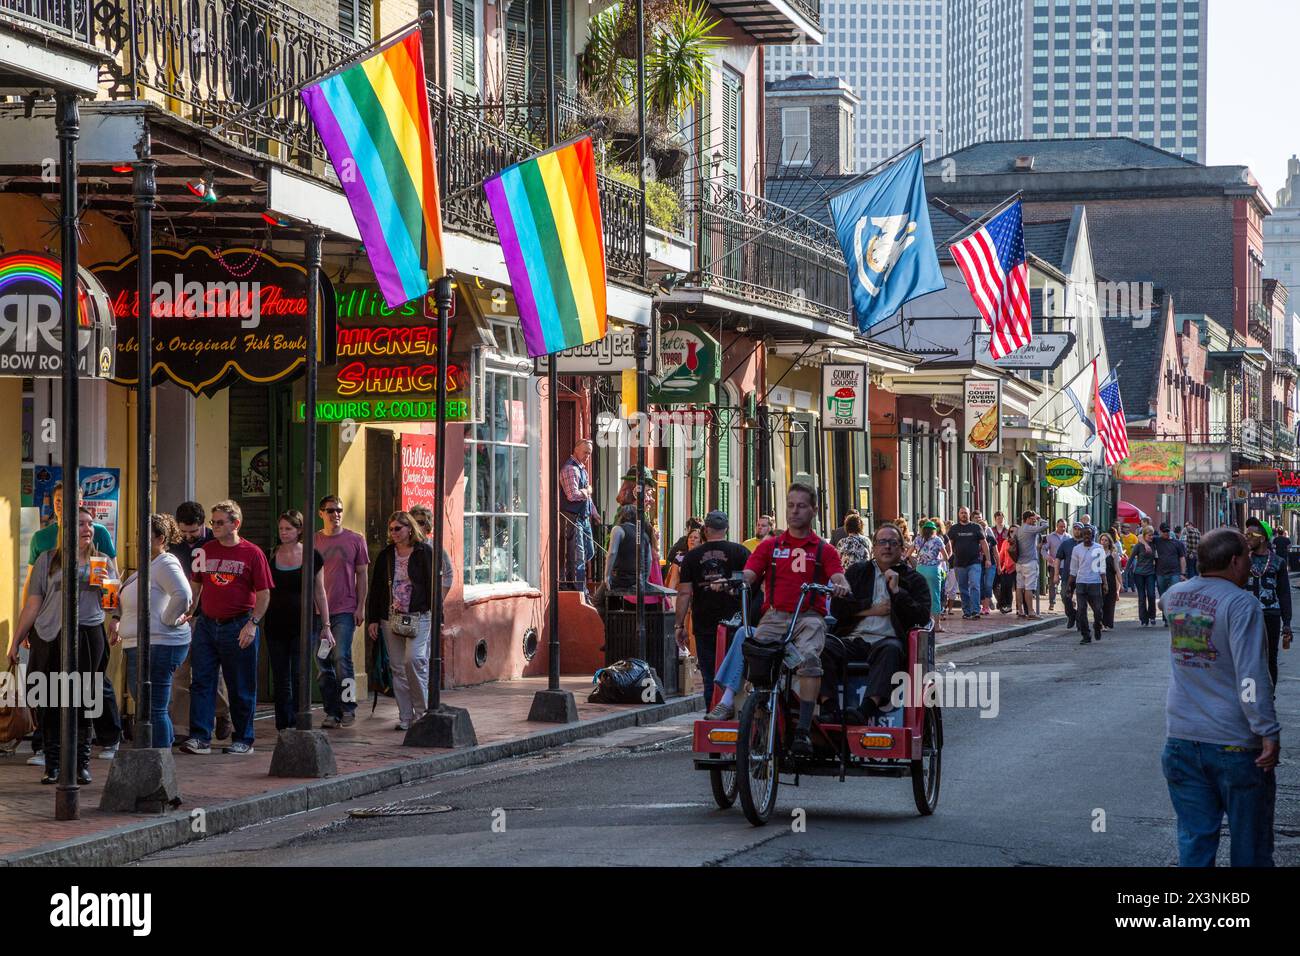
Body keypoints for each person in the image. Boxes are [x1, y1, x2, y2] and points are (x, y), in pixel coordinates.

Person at [1160, 528, 1281, 867]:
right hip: (1235, 743)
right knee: (1251, 848)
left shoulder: (1174, 596)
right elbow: (1251, 676)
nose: (1250, 563)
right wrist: (1267, 731)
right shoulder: (1242, 604)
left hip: (1181, 739)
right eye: (1247, 556)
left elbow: (1163, 602)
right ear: (1234, 561)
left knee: (1195, 843)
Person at [8, 508, 117, 784]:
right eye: (80, 523)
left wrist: (108, 589)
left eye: (90, 524)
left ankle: (80, 764)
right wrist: (17, 638)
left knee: (83, 700)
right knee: (49, 700)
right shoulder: (48, 561)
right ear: (66, 529)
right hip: (49, 634)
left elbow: (112, 605)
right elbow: (33, 604)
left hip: (87, 634)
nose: (87, 529)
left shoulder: (101, 560)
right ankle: (53, 763)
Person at [742, 484, 851, 757]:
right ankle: (757, 719)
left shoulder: (824, 550)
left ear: (813, 510)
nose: (794, 511)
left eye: (801, 506)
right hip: (775, 616)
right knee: (756, 657)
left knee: (810, 659)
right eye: (790, 505)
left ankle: (803, 729)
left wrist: (841, 585)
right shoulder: (771, 546)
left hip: (809, 617)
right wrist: (735, 582)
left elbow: (838, 575)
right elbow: (750, 573)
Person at [27, 483, 121, 761]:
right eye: (57, 499)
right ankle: (48, 748)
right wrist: (27, 623)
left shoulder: (98, 535)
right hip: (50, 625)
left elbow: (111, 577)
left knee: (89, 685)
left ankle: (103, 741)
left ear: (80, 499)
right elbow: (33, 587)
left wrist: (114, 612)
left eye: (67, 498)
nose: (61, 503)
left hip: (88, 625)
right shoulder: (43, 539)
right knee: (48, 686)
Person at [181, 500, 273, 756]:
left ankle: (243, 739)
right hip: (208, 625)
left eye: (220, 522)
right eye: (213, 522)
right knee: (201, 681)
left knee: (240, 684)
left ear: (236, 523)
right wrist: (190, 613)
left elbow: (264, 594)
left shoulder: (252, 553)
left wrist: (253, 624)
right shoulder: (205, 550)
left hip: (239, 624)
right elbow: (196, 586)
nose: (215, 527)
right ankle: (200, 737)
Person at [823, 522, 932, 724]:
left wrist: (898, 592)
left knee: (890, 650)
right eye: (882, 542)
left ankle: (865, 710)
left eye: (893, 542)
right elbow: (838, 609)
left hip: (887, 641)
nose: (887, 547)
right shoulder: (857, 572)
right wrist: (870, 609)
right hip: (854, 638)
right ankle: (828, 708)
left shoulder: (914, 579)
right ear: (873, 547)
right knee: (824, 647)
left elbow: (922, 616)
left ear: (901, 547)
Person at [115, 514, 193, 749]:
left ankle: (158, 759)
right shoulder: (150, 567)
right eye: (138, 534)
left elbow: (184, 594)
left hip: (159, 642)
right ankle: (159, 754)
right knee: (149, 705)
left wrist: (168, 619)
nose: (138, 540)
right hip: (141, 642)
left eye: (144, 535)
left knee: (153, 707)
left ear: (160, 538)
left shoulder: (165, 563)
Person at [167, 500, 231, 746]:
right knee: (180, 674)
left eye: (193, 531)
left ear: (203, 525)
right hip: (181, 615)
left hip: (207, 615)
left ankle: (222, 712)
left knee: (209, 672)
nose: (188, 537)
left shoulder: (214, 544)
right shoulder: (174, 545)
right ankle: (182, 727)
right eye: (183, 532)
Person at [676, 511, 750, 713]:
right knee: (735, 671)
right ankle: (734, 711)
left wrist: (679, 625)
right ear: (726, 529)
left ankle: (712, 712)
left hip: (704, 622)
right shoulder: (741, 552)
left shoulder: (691, 557)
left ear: (705, 530)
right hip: (735, 622)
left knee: (709, 675)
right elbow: (752, 585)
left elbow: (684, 593)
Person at [366, 511, 434, 731]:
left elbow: (432, 584)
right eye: (391, 529)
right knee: (397, 667)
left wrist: (436, 615)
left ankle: (422, 712)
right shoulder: (386, 554)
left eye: (398, 528)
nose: (394, 533)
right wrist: (374, 619)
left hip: (418, 614)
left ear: (409, 529)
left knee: (413, 660)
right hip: (391, 616)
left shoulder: (424, 552)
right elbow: (376, 588)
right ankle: (405, 716)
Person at [265, 511, 331, 731]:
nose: (284, 533)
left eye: (289, 529)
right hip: (275, 623)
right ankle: (284, 724)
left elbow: (320, 592)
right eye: (281, 528)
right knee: (280, 676)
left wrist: (326, 625)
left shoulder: (312, 556)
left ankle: (300, 719)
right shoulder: (271, 554)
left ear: (299, 530)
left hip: (303, 624)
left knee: (299, 674)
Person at [314, 494, 370, 727]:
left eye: (338, 510)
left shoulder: (355, 540)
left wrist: (361, 606)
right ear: (321, 514)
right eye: (330, 510)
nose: (335, 514)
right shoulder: (313, 541)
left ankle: (348, 707)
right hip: (317, 612)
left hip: (345, 609)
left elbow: (363, 574)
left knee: (342, 658)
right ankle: (331, 710)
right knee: (322, 662)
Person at [1244, 518, 1292, 689]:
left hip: (1271, 615)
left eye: (1251, 534)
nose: (1246, 537)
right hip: (1246, 615)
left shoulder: (1279, 562)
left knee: (1270, 656)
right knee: (1247, 657)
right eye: (1246, 533)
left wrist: (1286, 623)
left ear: (1262, 538)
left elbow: (1284, 594)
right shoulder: (1242, 560)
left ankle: (1269, 696)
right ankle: (1249, 695)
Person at [559, 440, 597, 592]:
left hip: (584, 517)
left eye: (589, 453)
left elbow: (587, 497)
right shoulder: (570, 469)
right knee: (578, 555)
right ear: (576, 450)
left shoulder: (582, 469)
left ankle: (576, 583)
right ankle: (578, 588)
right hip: (573, 517)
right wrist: (587, 491)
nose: (587, 456)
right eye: (585, 452)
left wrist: (594, 512)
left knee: (589, 551)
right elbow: (572, 495)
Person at [946, 507, 988, 620]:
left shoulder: (976, 527)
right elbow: (949, 545)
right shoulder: (954, 529)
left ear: (969, 514)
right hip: (959, 563)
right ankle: (966, 611)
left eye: (966, 513)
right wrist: (946, 558)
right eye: (962, 513)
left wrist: (988, 559)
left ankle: (975, 610)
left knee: (975, 585)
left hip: (974, 562)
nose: (964, 515)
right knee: (963, 588)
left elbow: (984, 544)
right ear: (959, 514)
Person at [907, 520, 948, 634]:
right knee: (935, 596)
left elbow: (908, 554)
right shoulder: (938, 540)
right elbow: (946, 557)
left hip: (920, 570)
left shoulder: (918, 539)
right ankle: (937, 625)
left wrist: (919, 558)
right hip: (933, 570)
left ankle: (923, 622)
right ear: (934, 530)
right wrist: (938, 560)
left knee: (921, 596)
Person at [1070, 525, 1107, 645]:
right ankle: (1086, 635)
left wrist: (1105, 583)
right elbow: (1073, 569)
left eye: (1089, 534)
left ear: (1093, 535)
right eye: (1085, 534)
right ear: (1082, 535)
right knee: (1081, 610)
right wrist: (1070, 586)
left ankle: (1097, 625)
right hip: (1081, 582)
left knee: (1097, 610)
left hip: (1095, 582)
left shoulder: (1099, 548)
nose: (1087, 536)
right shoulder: (1076, 549)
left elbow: (1102, 567)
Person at [1012, 510, 1050, 619]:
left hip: (1019, 562)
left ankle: (1020, 610)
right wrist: (1040, 518)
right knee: (1029, 587)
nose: (1034, 521)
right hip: (1029, 563)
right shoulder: (1029, 528)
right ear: (1027, 519)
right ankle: (1031, 612)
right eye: (1032, 519)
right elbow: (1045, 526)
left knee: (1019, 587)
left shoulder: (1019, 529)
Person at [1153, 522, 1188, 625]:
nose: (1166, 533)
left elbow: (1182, 558)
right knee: (1163, 596)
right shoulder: (1157, 540)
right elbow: (1141, 537)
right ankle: (1166, 618)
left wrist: (1183, 573)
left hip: (1175, 573)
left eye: (1168, 531)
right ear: (1160, 532)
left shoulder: (1177, 543)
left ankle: (1174, 618)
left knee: (1175, 596)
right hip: (1160, 573)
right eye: (1164, 531)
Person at [1056, 523, 1084, 630]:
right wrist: (1056, 574)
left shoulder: (1086, 544)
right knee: (1064, 596)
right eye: (1075, 529)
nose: (1077, 531)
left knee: (1082, 600)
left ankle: (1081, 621)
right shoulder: (1066, 543)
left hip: (1082, 576)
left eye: (1079, 529)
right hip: (1067, 575)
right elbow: (1058, 558)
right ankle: (1072, 615)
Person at [1129, 526, 1159, 627]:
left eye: (1152, 535)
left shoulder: (1154, 544)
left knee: (1151, 594)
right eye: (1149, 535)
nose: (1151, 537)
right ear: (1145, 535)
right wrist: (1125, 572)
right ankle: (1143, 619)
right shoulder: (1138, 546)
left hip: (1150, 573)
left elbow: (1141, 535)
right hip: (1138, 574)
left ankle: (1152, 616)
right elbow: (1131, 558)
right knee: (1142, 597)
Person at [973, 511, 998, 614]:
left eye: (984, 527)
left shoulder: (990, 537)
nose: (982, 529)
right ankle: (983, 605)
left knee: (988, 584)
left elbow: (996, 552)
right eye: (981, 527)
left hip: (990, 564)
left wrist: (999, 565)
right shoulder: (974, 539)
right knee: (980, 585)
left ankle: (986, 607)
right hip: (978, 563)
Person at [1044, 518, 1067, 612]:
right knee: (1052, 584)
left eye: (1064, 526)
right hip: (1053, 564)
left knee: (1065, 584)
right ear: (1057, 526)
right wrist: (1047, 557)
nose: (1063, 528)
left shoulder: (1068, 537)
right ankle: (1052, 603)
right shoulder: (1050, 537)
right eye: (1061, 526)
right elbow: (1043, 549)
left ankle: (1066, 601)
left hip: (1065, 565)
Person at [1099, 533, 1120, 630]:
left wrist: (1120, 584)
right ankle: (1101, 623)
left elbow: (1117, 569)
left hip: (1110, 579)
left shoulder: (1113, 554)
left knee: (1109, 602)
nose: (1103, 542)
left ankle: (1107, 622)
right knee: (1100, 602)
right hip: (1099, 580)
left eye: (1105, 540)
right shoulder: (1096, 552)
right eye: (1102, 540)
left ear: (1109, 542)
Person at [995, 525, 1017, 613]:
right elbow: (1001, 555)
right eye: (1011, 531)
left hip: (1018, 568)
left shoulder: (1020, 542)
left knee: (1019, 588)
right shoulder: (1005, 542)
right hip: (1006, 568)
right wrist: (999, 567)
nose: (1013, 533)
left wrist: (1015, 566)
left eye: (1015, 531)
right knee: (1005, 587)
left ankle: (1020, 608)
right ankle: (1006, 605)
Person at [1120, 524, 1139, 592]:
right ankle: (1125, 588)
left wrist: (1133, 546)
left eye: (1126, 528)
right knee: (1125, 572)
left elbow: (1137, 546)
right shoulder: (1121, 537)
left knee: (1132, 573)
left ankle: (1133, 587)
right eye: (1124, 528)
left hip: (1133, 557)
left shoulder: (1133, 537)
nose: (1125, 529)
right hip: (1124, 558)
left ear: (1129, 529)